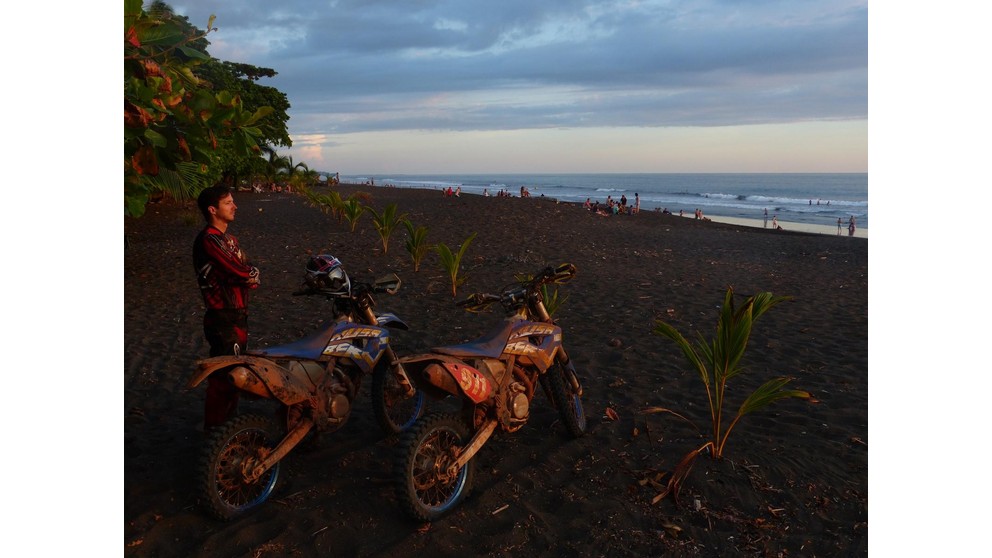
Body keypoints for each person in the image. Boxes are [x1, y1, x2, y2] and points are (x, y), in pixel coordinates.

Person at [193, 185, 260, 429]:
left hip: (238, 315)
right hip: (222, 318)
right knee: (225, 377)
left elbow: (249, 268)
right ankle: (215, 433)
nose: (235, 206)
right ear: (213, 209)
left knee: (237, 373)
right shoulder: (209, 240)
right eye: (228, 202)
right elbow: (240, 270)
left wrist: (248, 274)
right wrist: (247, 274)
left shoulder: (230, 240)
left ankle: (227, 428)